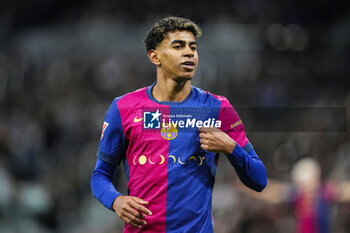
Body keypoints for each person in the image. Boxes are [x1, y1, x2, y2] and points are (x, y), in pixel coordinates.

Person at [90, 16, 267, 233]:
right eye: (178, 46)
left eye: (193, 47)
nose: (189, 52)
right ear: (155, 56)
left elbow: (259, 179)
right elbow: (100, 175)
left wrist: (231, 148)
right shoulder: (124, 108)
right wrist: (115, 200)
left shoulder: (218, 108)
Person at [235, 157, 350, 233]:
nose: (306, 188)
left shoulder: (325, 191)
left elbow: (345, 190)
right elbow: (273, 193)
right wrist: (249, 183)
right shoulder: (297, 194)